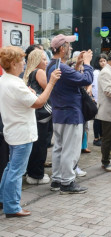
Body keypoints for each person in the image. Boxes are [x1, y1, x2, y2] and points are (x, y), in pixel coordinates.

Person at [0, 46, 60, 217]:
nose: (24, 64)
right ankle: (12, 207)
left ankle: (4, 199)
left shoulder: (5, 80)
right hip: (22, 133)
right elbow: (39, 102)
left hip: (13, 131)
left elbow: (25, 97)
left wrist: (30, 91)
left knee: (10, 168)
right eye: (21, 61)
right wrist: (52, 83)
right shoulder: (15, 83)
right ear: (13, 63)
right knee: (16, 171)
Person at [46, 34, 93, 194]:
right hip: (71, 115)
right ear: (62, 48)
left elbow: (69, 80)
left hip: (59, 114)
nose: (71, 48)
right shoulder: (62, 68)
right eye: (69, 46)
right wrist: (87, 64)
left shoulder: (51, 65)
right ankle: (67, 183)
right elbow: (86, 80)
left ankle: (57, 180)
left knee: (59, 148)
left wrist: (78, 64)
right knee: (70, 150)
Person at [23, 49, 52, 185]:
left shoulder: (27, 73)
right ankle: (37, 175)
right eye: (43, 59)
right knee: (40, 145)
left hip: (34, 114)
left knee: (34, 145)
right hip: (42, 114)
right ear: (36, 60)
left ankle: (31, 172)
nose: (46, 62)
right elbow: (49, 89)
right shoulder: (39, 72)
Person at [92, 54, 108, 146]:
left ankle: (101, 137)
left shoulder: (104, 71)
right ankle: (96, 138)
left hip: (102, 100)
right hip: (98, 100)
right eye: (101, 61)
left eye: (104, 61)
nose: (102, 63)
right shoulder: (96, 73)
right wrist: (97, 99)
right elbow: (96, 88)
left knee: (101, 119)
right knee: (97, 119)